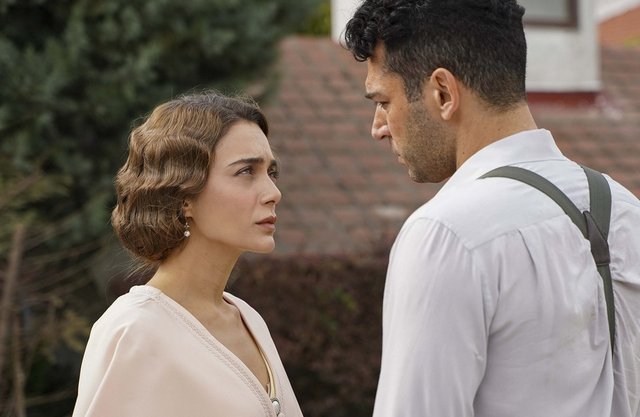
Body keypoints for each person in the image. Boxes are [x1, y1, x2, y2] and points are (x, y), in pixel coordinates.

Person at [344, 1, 640, 416]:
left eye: (383, 101)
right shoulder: (627, 211)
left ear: (443, 93)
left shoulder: (446, 234)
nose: (378, 127)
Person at [72, 92, 302, 417]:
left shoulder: (249, 320)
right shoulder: (134, 331)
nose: (273, 193)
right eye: (246, 171)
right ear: (183, 196)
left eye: (271, 172)